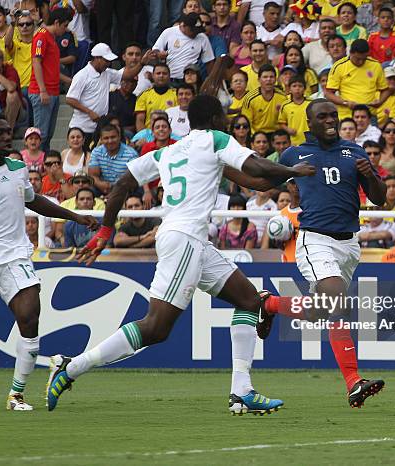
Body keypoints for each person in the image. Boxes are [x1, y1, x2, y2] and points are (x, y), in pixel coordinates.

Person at [46, 94, 314, 414]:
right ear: (215, 120)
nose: (228, 121)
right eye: (224, 117)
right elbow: (255, 166)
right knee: (156, 327)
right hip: (184, 239)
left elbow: (119, 187)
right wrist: (293, 168)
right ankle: (70, 367)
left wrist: (105, 232)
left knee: (249, 301)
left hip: (192, 240)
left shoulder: (168, 151)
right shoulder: (215, 140)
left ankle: (242, 390)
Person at [0, 112, 97, 411]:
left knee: (29, 317)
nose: (5, 138)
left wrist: (74, 215)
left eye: (8, 132)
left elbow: (33, 199)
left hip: (15, 256)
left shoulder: (17, 169)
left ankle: (16, 395)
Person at [260, 99, 387, 408]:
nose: (331, 120)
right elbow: (263, 178)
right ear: (310, 123)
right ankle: (354, 382)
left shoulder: (353, 151)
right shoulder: (294, 154)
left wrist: (370, 174)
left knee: (322, 310)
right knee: (336, 301)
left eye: (334, 115)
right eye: (323, 116)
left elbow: (379, 198)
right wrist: (289, 176)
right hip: (315, 239)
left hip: (349, 244)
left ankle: (270, 303)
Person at [28, 8, 73, 152]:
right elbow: (36, 62)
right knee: (41, 136)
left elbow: (51, 69)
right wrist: (42, 90)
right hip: (43, 92)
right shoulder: (41, 37)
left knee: (48, 135)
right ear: (57, 22)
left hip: (52, 91)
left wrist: (69, 80)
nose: (66, 29)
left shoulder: (49, 37)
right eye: (65, 25)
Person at [66, 43, 124, 145]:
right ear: (97, 58)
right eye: (106, 60)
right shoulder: (82, 75)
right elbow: (70, 99)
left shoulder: (108, 73)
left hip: (99, 128)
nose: (108, 63)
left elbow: (126, 75)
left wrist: (141, 64)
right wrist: (89, 112)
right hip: (82, 128)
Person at [325, 39, 391, 120]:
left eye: (364, 59)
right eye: (357, 59)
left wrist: (380, 101)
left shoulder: (376, 65)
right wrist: (345, 102)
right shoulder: (339, 66)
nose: (360, 62)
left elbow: (385, 89)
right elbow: (328, 93)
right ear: (351, 53)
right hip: (347, 116)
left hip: (369, 115)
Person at [152, 12, 215, 81]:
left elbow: (209, 61)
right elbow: (155, 50)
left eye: (197, 31)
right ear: (183, 25)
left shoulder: (202, 37)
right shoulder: (169, 32)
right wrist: (159, 54)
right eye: (192, 30)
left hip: (190, 79)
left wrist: (211, 79)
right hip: (171, 77)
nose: (195, 33)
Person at [88, 124, 138, 196]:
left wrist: (115, 192)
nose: (110, 141)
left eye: (113, 137)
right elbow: (92, 175)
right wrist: (100, 184)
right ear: (101, 140)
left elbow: (133, 179)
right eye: (106, 138)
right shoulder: (97, 151)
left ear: (119, 137)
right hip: (102, 188)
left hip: (125, 189)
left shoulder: (131, 154)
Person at [241, 63, 287, 134]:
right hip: (257, 136)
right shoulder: (250, 98)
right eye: (265, 77)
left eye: (271, 77)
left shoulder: (283, 97)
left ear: (275, 79)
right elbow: (246, 123)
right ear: (259, 80)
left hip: (277, 135)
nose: (268, 79)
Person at [135, 63, 178, 131]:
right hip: (149, 135)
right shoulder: (144, 95)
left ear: (169, 76)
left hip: (171, 134)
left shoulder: (177, 94)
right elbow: (140, 120)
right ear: (153, 76)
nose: (161, 76)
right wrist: (144, 136)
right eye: (158, 73)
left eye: (164, 73)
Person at [277, 76, 309, 146]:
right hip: (294, 141)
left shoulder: (311, 103)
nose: (297, 89)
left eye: (300, 86)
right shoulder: (285, 105)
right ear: (290, 89)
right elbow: (281, 123)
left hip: (310, 140)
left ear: (305, 88)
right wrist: (288, 129)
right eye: (294, 86)